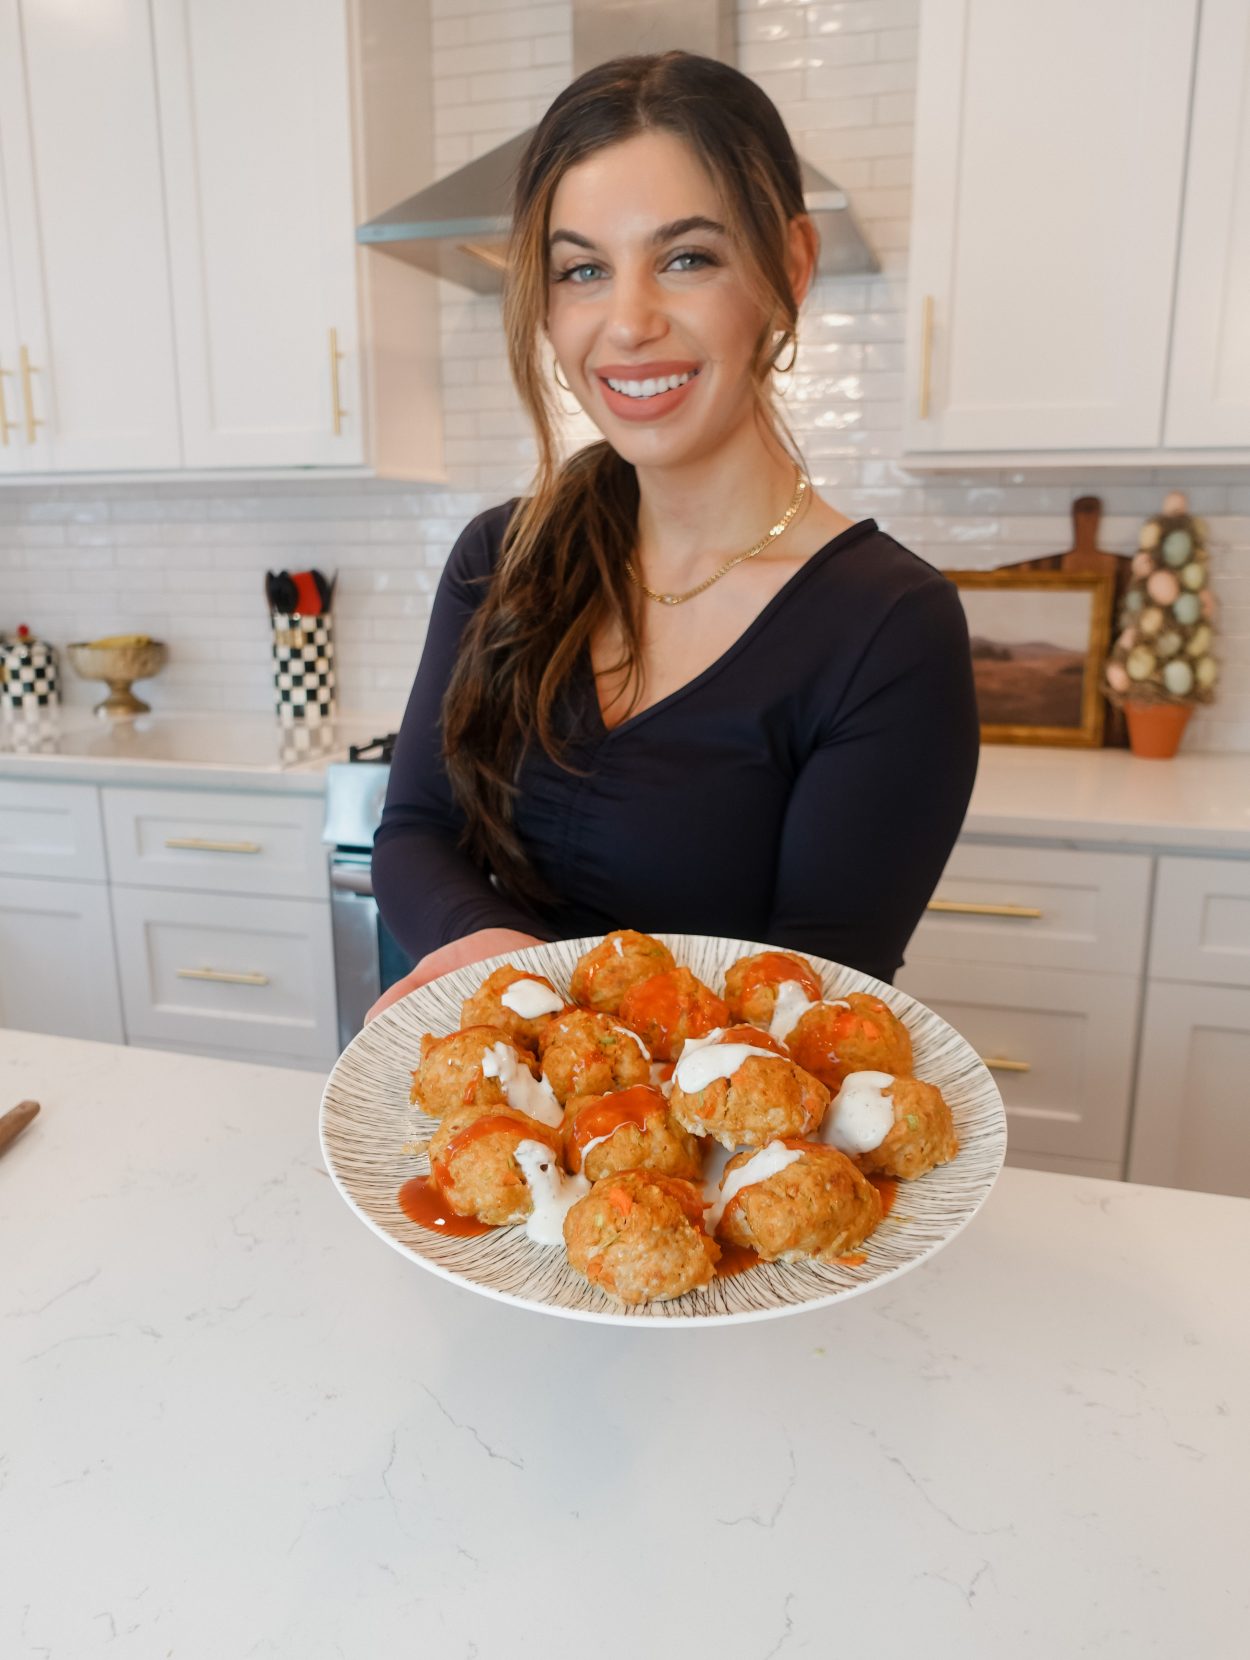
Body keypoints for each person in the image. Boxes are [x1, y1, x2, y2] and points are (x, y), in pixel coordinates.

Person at [367, 51, 978, 1024]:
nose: (627, 322)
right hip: (486, 1130)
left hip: (713, 1161)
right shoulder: (501, 557)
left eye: (685, 257)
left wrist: (559, 1017)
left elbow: (811, 1005)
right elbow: (410, 830)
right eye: (582, 270)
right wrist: (492, 950)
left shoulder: (887, 629)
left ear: (788, 267)